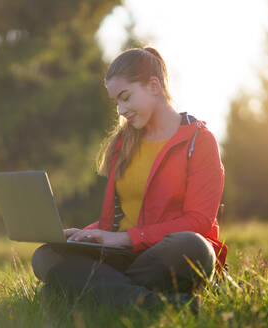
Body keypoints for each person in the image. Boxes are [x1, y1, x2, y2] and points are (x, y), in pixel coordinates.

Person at [31, 47, 227, 310]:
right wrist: (84, 235)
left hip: (165, 254)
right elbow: (114, 220)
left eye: (125, 97)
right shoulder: (123, 143)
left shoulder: (199, 141)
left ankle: (82, 291)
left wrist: (127, 238)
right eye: (116, 103)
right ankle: (156, 304)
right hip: (123, 255)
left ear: (153, 86)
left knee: (194, 247)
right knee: (45, 256)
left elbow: (199, 221)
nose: (121, 110)